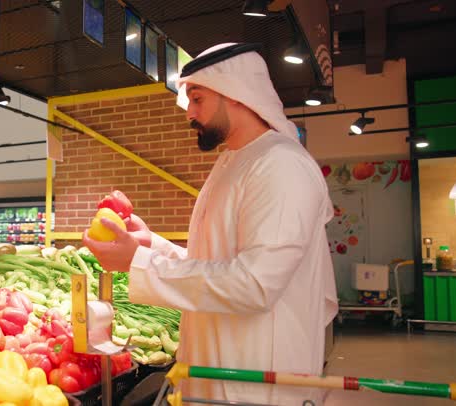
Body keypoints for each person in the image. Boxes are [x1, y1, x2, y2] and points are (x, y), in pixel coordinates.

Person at [82, 43, 338, 404]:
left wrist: (136, 263)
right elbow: (216, 261)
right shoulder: (233, 161)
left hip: (255, 382)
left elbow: (254, 283)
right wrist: (151, 246)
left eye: (198, 99)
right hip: (215, 372)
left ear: (236, 94)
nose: (189, 113)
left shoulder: (282, 165)